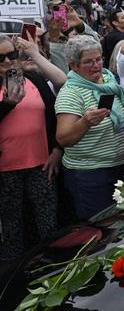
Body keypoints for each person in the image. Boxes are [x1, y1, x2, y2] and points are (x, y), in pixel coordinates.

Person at [55, 36, 124, 220]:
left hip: (121, 166)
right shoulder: (70, 93)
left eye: (98, 59)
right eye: (88, 62)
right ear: (73, 65)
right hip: (91, 175)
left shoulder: (107, 79)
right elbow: (64, 139)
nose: (96, 65)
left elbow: (120, 110)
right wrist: (85, 121)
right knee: (104, 229)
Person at [0, 35, 62, 260]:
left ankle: (53, 266)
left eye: (12, 55)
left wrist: (57, 149)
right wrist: (7, 105)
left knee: (48, 222)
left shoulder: (33, 79)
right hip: (5, 171)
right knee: (12, 226)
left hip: (41, 164)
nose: (8, 61)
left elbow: (54, 116)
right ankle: (15, 276)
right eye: (1, 58)